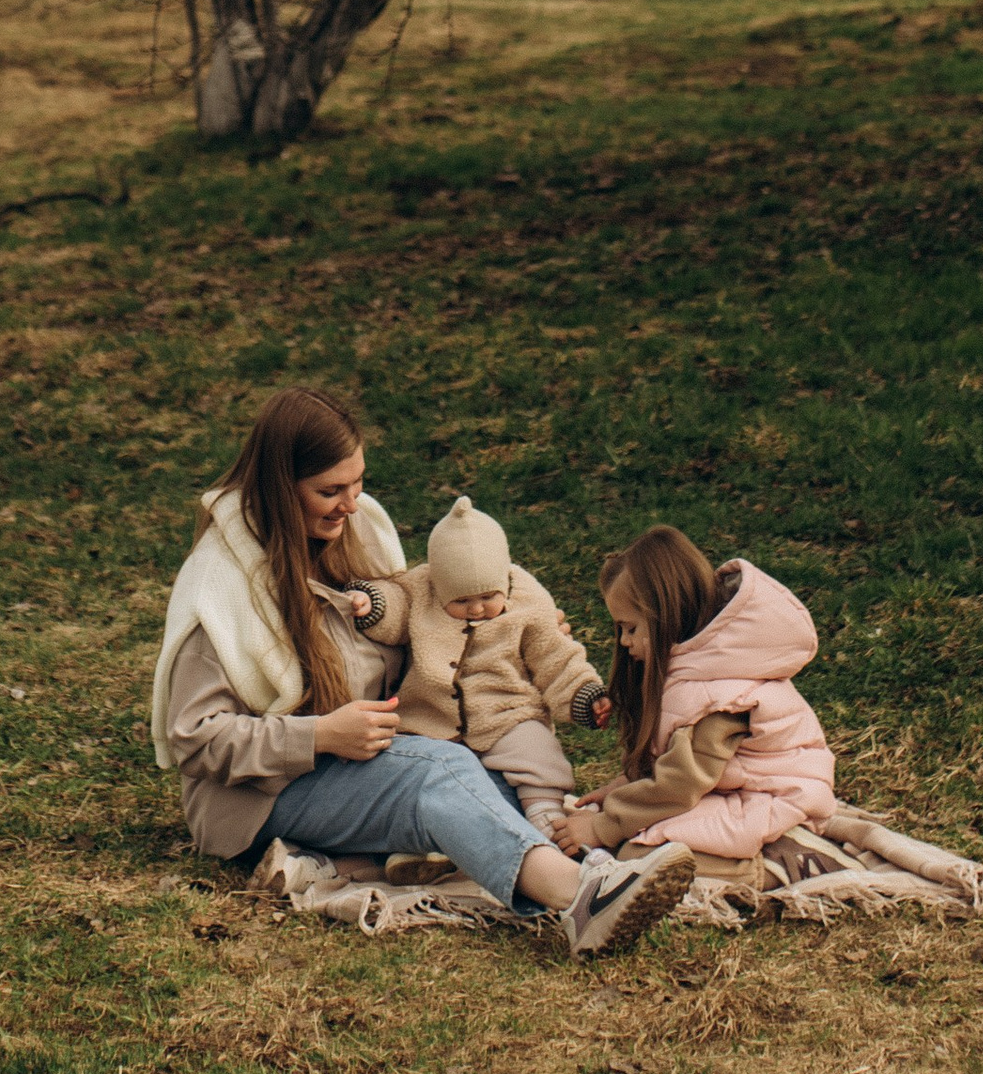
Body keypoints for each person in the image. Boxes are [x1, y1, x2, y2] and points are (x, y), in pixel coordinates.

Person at [150, 386, 691, 961]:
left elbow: (424, 623)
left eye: (357, 484)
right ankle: (581, 899)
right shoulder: (224, 585)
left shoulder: (357, 536)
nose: (351, 504)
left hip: (365, 758)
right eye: (329, 491)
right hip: (261, 796)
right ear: (281, 489)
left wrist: (508, 626)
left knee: (504, 776)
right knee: (440, 774)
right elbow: (195, 737)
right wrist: (321, 735)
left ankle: (585, 870)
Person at [553, 525, 838, 861]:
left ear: (669, 616)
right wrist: (623, 787)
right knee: (637, 836)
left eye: (631, 628)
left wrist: (603, 826)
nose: (624, 642)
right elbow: (675, 761)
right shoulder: (696, 671)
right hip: (732, 790)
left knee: (639, 854)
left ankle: (778, 865)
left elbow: (682, 783)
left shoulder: (722, 695)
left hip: (780, 798)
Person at [356, 492, 611, 826]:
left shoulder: (527, 601)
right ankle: (420, 842)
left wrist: (583, 694)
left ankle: (545, 814)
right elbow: (396, 604)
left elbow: (556, 657)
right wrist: (372, 603)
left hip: (506, 713)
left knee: (537, 754)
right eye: (461, 601)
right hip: (429, 721)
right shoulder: (421, 590)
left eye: (488, 597)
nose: (476, 609)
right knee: (414, 772)